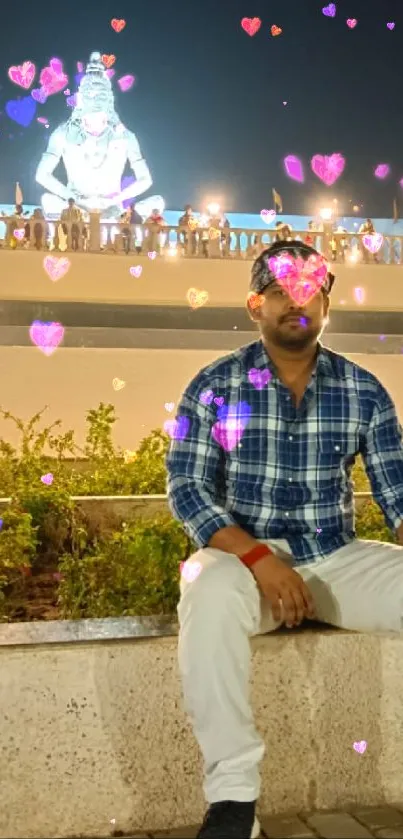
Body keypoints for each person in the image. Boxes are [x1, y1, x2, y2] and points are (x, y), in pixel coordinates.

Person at [166, 239, 403, 839]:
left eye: (309, 291)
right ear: (255, 304)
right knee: (206, 589)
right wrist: (256, 560)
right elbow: (188, 490)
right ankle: (233, 803)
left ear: (328, 305)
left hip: (336, 558)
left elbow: (398, 496)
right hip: (247, 566)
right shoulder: (214, 385)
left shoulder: (364, 390)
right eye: (280, 291)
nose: (296, 302)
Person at [35, 51, 164, 220]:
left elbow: (146, 180)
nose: (95, 100)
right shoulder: (63, 134)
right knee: (48, 200)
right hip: (75, 207)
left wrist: (116, 199)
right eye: (90, 95)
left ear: (109, 103)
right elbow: (41, 175)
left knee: (157, 202)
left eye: (100, 96)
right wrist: (73, 197)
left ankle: (111, 220)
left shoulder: (125, 137)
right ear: (81, 103)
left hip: (112, 208)